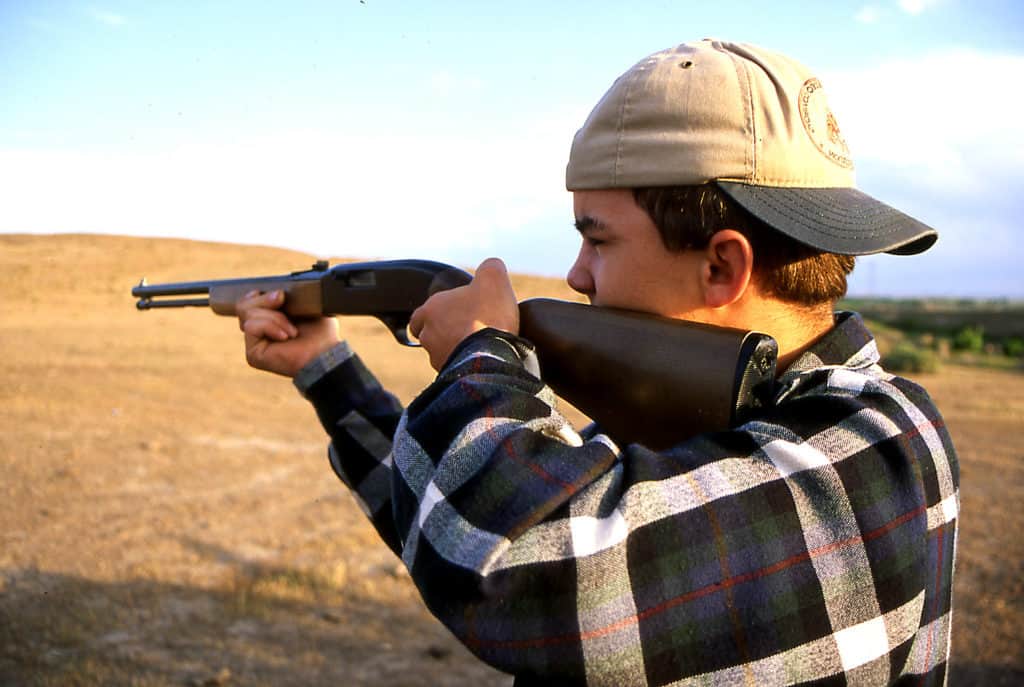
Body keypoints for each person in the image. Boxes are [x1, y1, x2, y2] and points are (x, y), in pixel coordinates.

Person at [237, 39, 959, 686]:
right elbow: (460, 521)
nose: (577, 274)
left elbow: (519, 562)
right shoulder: (719, 437)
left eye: (598, 239)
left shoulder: (880, 451)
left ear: (721, 266)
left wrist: (479, 352)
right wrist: (328, 368)